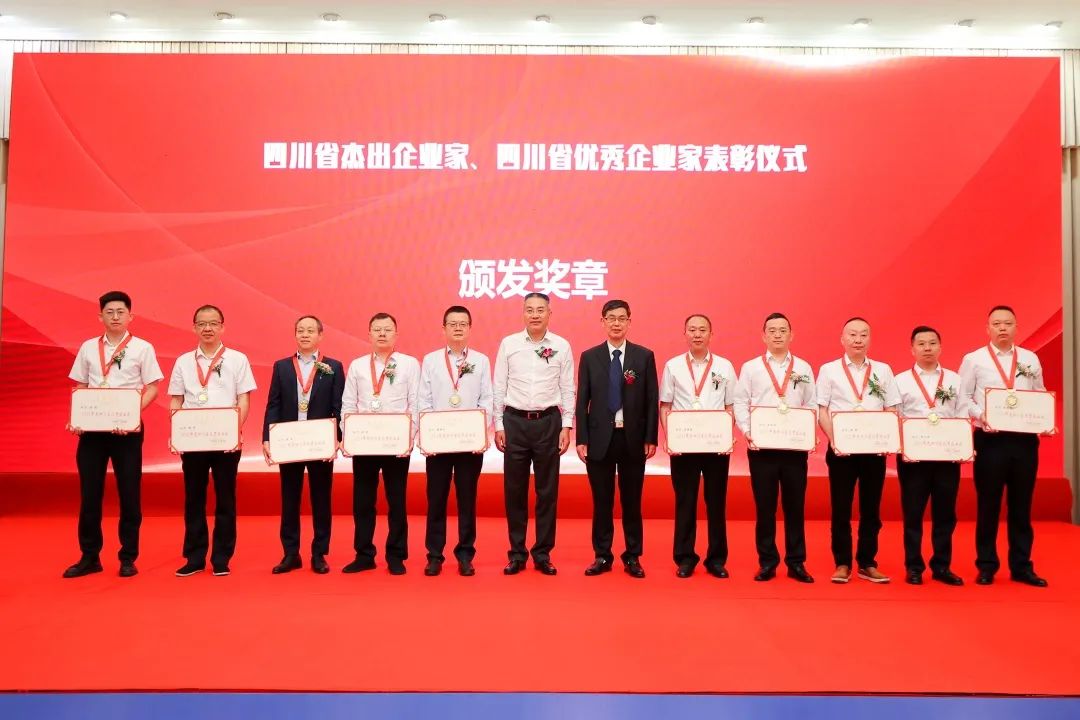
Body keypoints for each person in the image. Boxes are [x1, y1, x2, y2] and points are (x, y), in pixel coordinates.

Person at [63, 290, 164, 578]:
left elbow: (153, 388)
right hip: (93, 432)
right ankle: (89, 556)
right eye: (109, 312)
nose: (115, 317)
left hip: (127, 431)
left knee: (129, 493)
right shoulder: (88, 348)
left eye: (121, 312)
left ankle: (128, 556)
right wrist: (77, 418)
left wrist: (131, 413)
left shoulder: (143, 348)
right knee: (90, 494)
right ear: (100, 317)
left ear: (131, 316)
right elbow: (81, 386)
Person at [958, 305, 1048, 587]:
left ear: (1016, 327)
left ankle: (1022, 566)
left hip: (1024, 441)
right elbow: (963, 399)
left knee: (1022, 505)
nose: (1002, 328)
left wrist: (1046, 420)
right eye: (996, 324)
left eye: (1007, 323)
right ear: (988, 329)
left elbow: (1039, 394)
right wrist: (982, 415)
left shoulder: (1030, 358)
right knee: (989, 504)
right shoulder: (974, 360)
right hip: (991, 439)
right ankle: (986, 566)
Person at [169, 304, 257, 577]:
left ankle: (221, 558)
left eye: (213, 323)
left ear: (222, 327)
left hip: (225, 442)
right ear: (194, 327)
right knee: (193, 499)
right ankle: (194, 558)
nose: (207, 328)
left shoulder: (238, 359)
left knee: (225, 499)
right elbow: (176, 400)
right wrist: (177, 432)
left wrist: (233, 431)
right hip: (193, 441)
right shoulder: (183, 361)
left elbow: (243, 399)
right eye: (202, 324)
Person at [575, 299, 659, 579]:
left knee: (632, 501)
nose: (616, 323)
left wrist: (650, 437)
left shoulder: (643, 356)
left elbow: (651, 399)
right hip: (599, 439)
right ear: (602, 322)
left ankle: (633, 556)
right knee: (602, 501)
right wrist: (581, 438)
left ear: (629, 322)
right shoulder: (590, 357)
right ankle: (602, 555)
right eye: (611, 318)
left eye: (622, 318)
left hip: (632, 439)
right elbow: (582, 400)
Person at [493, 292, 575, 576]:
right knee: (514, 491)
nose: (535, 314)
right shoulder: (509, 344)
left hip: (548, 422)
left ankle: (542, 553)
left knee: (547, 492)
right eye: (530, 309)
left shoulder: (561, 346)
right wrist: (498, 424)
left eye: (541, 309)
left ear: (550, 313)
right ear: (523, 313)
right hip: (514, 422)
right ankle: (517, 553)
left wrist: (566, 426)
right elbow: (499, 386)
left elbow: (568, 388)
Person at [733, 312, 816, 583]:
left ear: (791, 335)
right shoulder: (751, 368)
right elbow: (741, 402)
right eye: (772, 330)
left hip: (794, 449)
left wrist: (808, 432)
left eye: (782, 330)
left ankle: (796, 562)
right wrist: (748, 431)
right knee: (765, 507)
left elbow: (811, 404)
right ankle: (767, 562)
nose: (777, 334)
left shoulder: (803, 367)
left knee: (795, 507)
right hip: (762, 449)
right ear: (763, 336)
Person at [817, 317, 900, 584]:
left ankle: (867, 562)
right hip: (842, 451)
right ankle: (842, 563)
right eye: (852, 335)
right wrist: (834, 440)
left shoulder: (883, 370)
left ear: (870, 340)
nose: (857, 340)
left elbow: (892, 408)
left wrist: (886, 438)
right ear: (842, 339)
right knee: (841, 508)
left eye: (863, 335)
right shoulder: (829, 370)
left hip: (873, 451)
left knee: (871, 509)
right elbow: (822, 409)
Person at [262, 315, 345, 575]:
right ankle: (291, 554)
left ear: (320, 335)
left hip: (320, 442)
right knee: (290, 499)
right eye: (300, 330)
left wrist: (338, 437)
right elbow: (273, 404)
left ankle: (319, 554)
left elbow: (338, 405)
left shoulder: (333, 366)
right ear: (295, 335)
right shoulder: (282, 367)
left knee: (321, 499)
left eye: (310, 330)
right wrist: (267, 438)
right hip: (289, 442)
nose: (305, 334)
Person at [340, 313, 420, 575]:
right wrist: (348, 437)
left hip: (396, 444)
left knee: (396, 501)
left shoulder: (409, 364)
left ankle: (396, 556)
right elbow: (348, 404)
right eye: (377, 329)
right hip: (364, 444)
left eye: (387, 329)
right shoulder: (358, 366)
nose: (382, 333)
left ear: (396, 334)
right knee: (363, 502)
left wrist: (409, 437)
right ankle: (364, 555)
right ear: (369, 334)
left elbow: (415, 403)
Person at [659, 314, 736, 578]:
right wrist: (670, 437)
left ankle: (716, 559)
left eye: (702, 330)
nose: (697, 334)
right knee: (685, 502)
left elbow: (730, 405)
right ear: (685, 334)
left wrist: (727, 435)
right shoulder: (673, 366)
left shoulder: (725, 366)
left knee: (716, 503)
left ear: (711, 334)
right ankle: (685, 558)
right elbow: (666, 405)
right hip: (684, 445)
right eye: (692, 330)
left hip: (716, 446)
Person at [417, 305, 493, 577]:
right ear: (444, 328)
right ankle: (434, 555)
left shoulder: (481, 361)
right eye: (453, 324)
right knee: (436, 499)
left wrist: (478, 431)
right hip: (438, 444)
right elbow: (423, 400)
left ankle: (465, 554)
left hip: (469, 444)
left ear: (470, 328)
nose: (458, 328)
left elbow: (487, 399)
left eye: (463, 324)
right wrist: (429, 434)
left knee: (467, 500)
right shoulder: (431, 360)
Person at [894, 325, 967, 586]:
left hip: (946, 457)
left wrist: (963, 444)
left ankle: (942, 566)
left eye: (932, 343)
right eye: (922, 344)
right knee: (913, 514)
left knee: (945, 514)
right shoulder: (900, 381)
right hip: (914, 459)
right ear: (912, 349)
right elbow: (896, 417)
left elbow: (962, 414)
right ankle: (914, 566)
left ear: (940, 347)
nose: (927, 348)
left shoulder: (955, 380)